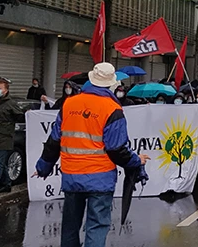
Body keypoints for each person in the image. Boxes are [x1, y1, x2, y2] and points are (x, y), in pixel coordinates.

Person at [36, 62, 149, 247]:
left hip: (72, 176)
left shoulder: (69, 104)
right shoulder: (112, 109)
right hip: (100, 178)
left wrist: (43, 167)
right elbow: (116, 149)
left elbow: (54, 141)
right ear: (112, 84)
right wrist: (137, 160)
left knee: (70, 227)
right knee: (96, 227)